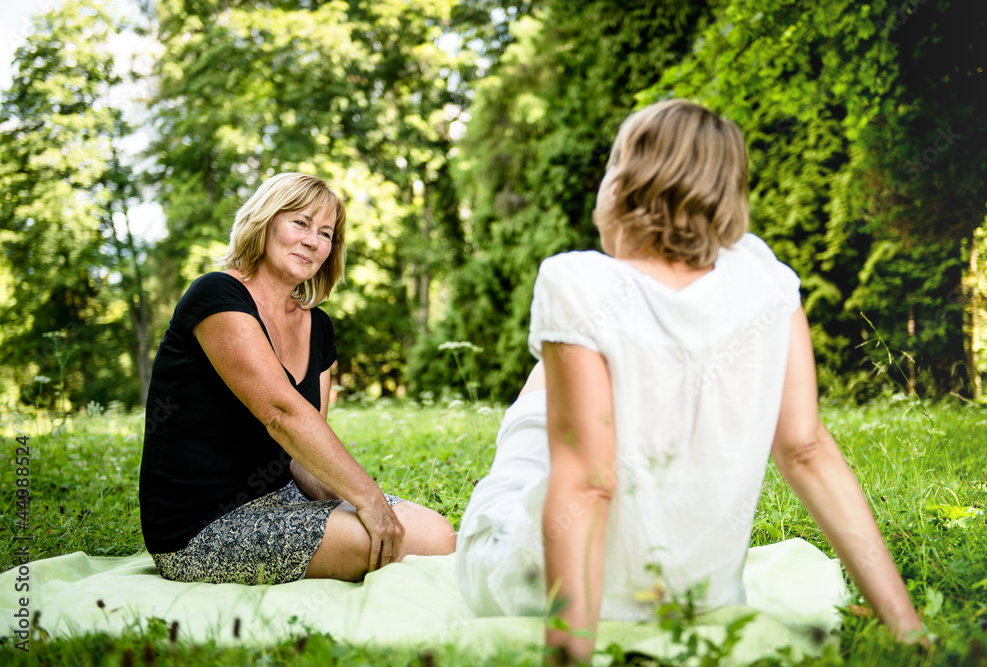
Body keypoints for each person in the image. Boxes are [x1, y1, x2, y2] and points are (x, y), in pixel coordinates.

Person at [455, 100, 925, 664]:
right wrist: (907, 626)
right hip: (696, 598)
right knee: (597, 377)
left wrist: (570, 656)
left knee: (529, 425)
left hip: (529, 583)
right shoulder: (769, 283)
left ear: (627, 182)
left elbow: (587, 483)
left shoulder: (575, 281)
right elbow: (805, 447)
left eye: (610, 166)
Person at [139, 172, 455, 586]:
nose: (313, 241)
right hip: (201, 529)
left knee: (437, 535)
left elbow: (304, 453)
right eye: (300, 223)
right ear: (265, 221)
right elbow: (281, 413)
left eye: (325, 233)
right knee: (388, 539)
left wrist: (347, 501)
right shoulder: (216, 296)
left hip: (283, 499)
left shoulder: (318, 328)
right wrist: (368, 502)